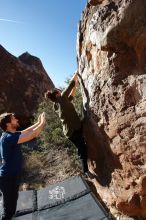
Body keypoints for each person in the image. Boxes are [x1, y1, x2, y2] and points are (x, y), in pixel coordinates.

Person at [45, 72, 92, 178]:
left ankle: (87, 168)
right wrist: (76, 73)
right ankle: (86, 172)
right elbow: (70, 85)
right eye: (59, 92)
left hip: (70, 131)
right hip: (73, 130)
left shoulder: (57, 104)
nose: (61, 92)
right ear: (57, 94)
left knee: (82, 148)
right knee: (82, 149)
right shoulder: (60, 99)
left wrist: (75, 86)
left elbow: (71, 96)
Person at [0, 112, 45, 220]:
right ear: (8, 124)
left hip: (12, 177)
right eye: (13, 118)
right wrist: (43, 122)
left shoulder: (11, 134)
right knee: (8, 211)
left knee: (12, 206)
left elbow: (26, 131)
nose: (17, 120)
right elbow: (32, 135)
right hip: (7, 179)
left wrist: (38, 122)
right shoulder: (8, 137)